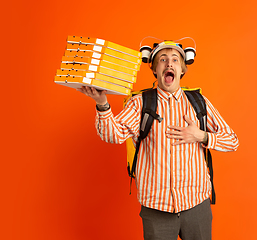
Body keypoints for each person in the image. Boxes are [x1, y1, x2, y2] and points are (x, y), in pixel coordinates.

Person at [77, 40, 239, 240]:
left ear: (182, 69)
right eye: (162, 60)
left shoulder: (199, 103)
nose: (169, 63)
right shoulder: (140, 103)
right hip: (156, 208)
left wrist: (201, 135)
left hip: (197, 205)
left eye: (175, 60)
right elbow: (113, 134)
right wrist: (102, 104)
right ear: (155, 70)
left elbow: (232, 140)